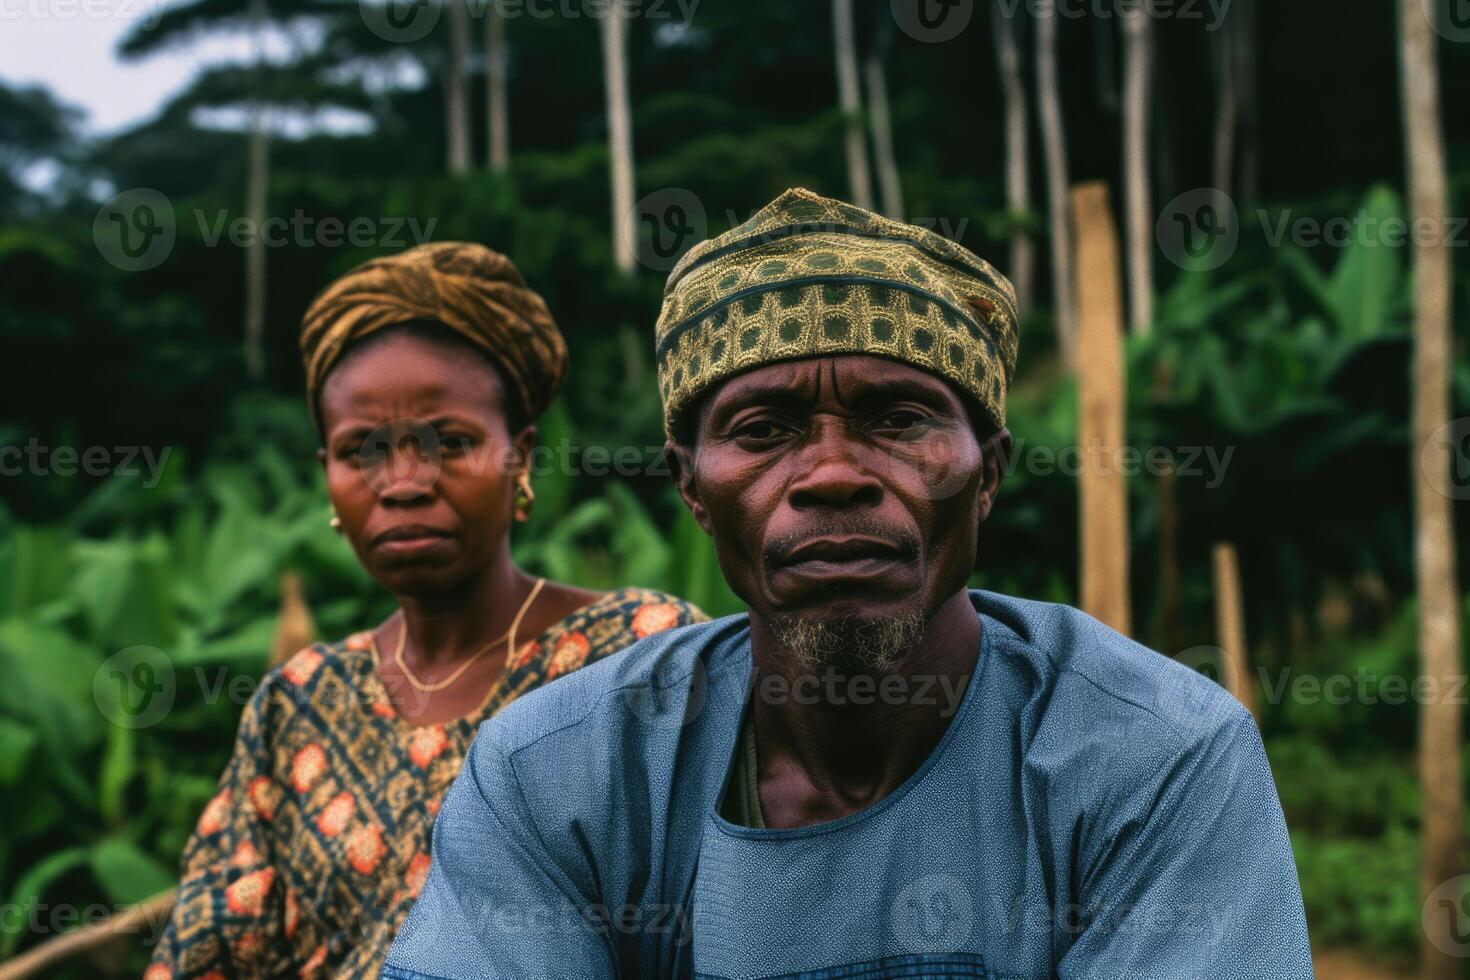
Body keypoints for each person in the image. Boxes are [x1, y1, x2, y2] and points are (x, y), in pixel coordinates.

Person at [382, 191, 1313, 978]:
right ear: (692, 489)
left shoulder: (1154, 759)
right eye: (763, 427)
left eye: (898, 418)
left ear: (986, 473)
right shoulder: (562, 774)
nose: (831, 473)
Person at [147, 242, 705, 979]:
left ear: (522, 456)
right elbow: (213, 952)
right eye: (362, 451)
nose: (403, 482)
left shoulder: (641, 654)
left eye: (451, 442)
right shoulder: (300, 702)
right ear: (327, 477)